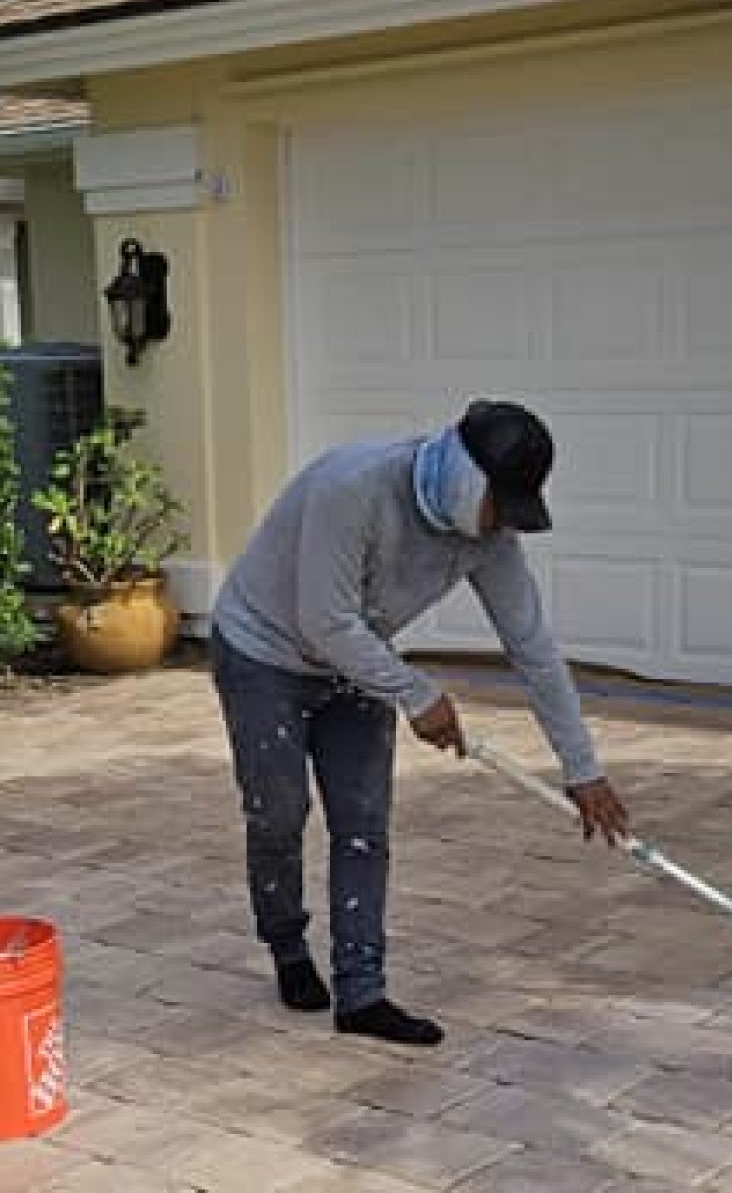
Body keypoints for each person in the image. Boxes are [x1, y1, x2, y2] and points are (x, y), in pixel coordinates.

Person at [208, 399, 630, 1048]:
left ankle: (362, 992)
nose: (501, 526)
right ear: (466, 477)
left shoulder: (487, 539)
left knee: (362, 823)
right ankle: (288, 946)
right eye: (500, 505)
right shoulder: (354, 487)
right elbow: (325, 619)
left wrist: (582, 767)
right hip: (264, 649)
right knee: (278, 811)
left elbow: (532, 646)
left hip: (355, 660)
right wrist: (415, 693)